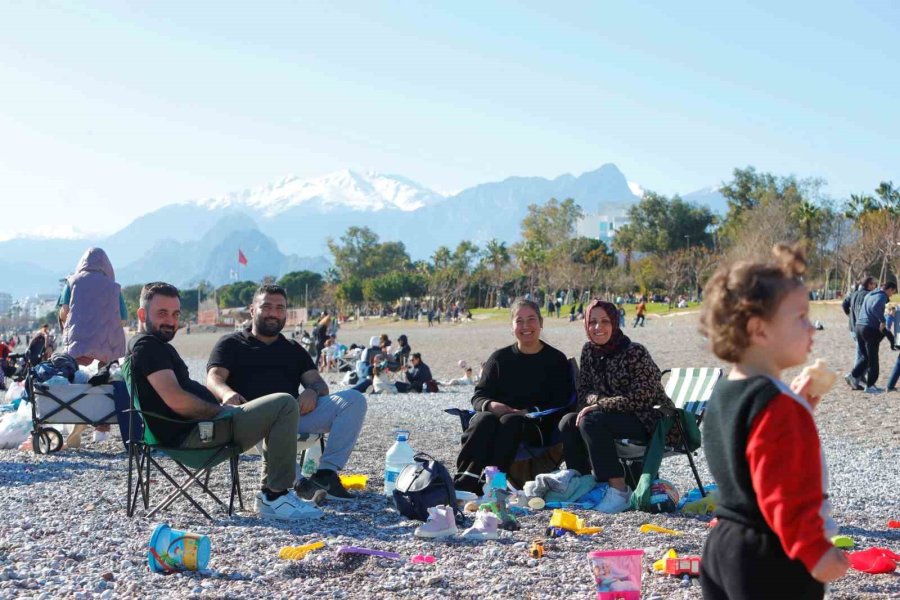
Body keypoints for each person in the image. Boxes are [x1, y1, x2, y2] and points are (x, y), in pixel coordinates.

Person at [698, 244, 847, 599]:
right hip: (771, 554)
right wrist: (816, 551)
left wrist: (798, 406)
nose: (812, 327)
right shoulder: (779, 406)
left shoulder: (725, 392)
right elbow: (784, 492)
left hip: (723, 544)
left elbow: (745, 458)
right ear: (759, 330)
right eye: (800, 317)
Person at [129, 282, 321, 520]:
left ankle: (273, 492)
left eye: (175, 314)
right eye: (162, 313)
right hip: (195, 435)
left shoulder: (152, 346)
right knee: (284, 403)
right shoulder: (147, 347)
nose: (170, 321)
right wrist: (219, 411)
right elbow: (176, 401)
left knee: (277, 406)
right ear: (141, 314)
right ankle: (275, 497)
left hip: (194, 428)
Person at [207, 285, 367, 502]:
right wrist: (226, 394)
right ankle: (299, 483)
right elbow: (214, 378)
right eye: (267, 306)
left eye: (280, 308)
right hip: (249, 420)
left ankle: (325, 475)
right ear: (253, 310)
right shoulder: (231, 343)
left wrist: (312, 391)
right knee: (271, 415)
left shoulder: (293, 349)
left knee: (354, 400)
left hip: (292, 417)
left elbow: (319, 384)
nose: (274, 313)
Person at [558, 299, 674, 513]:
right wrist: (598, 404)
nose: (597, 327)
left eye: (604, 321)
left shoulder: (634, 352)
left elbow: (644, 396)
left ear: (614, 322)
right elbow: (584, 390)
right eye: (592, 322)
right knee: (568, 422)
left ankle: (618, 491)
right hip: (610, 418)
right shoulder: (589, 351)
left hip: (645, 419)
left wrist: (601, 405)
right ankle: (586, 484)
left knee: (591, 420)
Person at [453, 299, 574, 494]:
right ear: (512, 327)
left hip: (538, 425)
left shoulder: (555, 359)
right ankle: (465, 482)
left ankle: (496, 485)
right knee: (483, 418)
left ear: (541, 323)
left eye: (531, 319)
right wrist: (491, 405)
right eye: (519, 321)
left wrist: (529, 411)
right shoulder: (499, 359)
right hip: (497, 419)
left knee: (511, 420)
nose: (526, 326)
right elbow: (479, 396)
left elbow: (563, 400)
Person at [57, 247, 126, 444]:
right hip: (107, 342)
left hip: (77, 339)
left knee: (73, 377)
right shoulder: (114, 287)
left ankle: (73, 420)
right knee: (105, 380)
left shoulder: (72, 281)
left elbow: (64, 311)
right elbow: (122, 319)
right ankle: (101, 429)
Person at [847, 280, 898, 394]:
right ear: (889, 289)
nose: (891, 295)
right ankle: (870, 386)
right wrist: (883, 321)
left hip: (859, 327)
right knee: (873, 360)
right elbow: (875, 308)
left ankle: (853, 375)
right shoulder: (882, 296)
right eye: (892, 292)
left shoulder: (871, 294)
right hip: (869, 329)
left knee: (866, 357)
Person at [842, 276, 877, 387]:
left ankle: (859, 377)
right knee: (862, 354)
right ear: (869, 284)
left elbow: (844, 304)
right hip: (862, 328)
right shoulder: (868, 295)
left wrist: (849, 315)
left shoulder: (855, 293)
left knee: (861, 352)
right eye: (874, 284)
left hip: (852, 327)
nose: (875, 286)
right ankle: (855, 377)